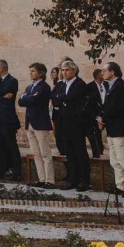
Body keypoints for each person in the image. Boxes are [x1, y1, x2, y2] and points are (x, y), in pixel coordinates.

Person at [53, 61, 93, 192]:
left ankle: (84, 180)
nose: (64, 72)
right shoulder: (62, 84)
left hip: (76, 123)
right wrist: (62, 98)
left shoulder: (79, 84)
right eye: (63, 70)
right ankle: (72, 179)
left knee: (80, 152)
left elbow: (71, 98)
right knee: (69, 152)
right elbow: (54, 98)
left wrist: (62, 98)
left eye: (67, 70)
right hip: (64, 122)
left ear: (74, 71)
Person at [99, 62, 124, 197]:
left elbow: (116, 108)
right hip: (112, 128)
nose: (102, 73)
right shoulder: (110, 86)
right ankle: (120, 185)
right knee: (115, 160)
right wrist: (100, 118)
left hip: (120, 128)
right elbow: (106, 106)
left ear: (112, 72)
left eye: (105, 70)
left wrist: (104, 119)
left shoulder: (120, 86)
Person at [19, 63, 54, 186]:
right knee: (36, 153)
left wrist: (27, 98)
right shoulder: (29, 87)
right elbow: (20, 101)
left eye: (33, 71)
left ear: (40, 73)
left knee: (45, 152)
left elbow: (35, 99)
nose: (30, 73)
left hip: (40, 123)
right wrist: (28, 97)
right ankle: (41, 178)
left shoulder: (44, 87)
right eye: (30, 71)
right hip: (30, 123)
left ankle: (49, 180)